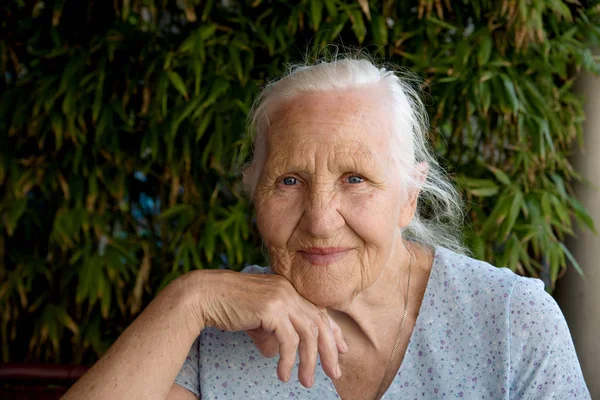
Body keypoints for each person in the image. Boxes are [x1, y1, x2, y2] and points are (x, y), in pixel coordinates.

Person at [63, 56, 590, 400]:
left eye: (356, 179)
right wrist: (189, 298)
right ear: (254, 192)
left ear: (409, 196)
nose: (319, 219)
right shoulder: (214, 335)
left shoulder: (510, 322)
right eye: (288, 180)